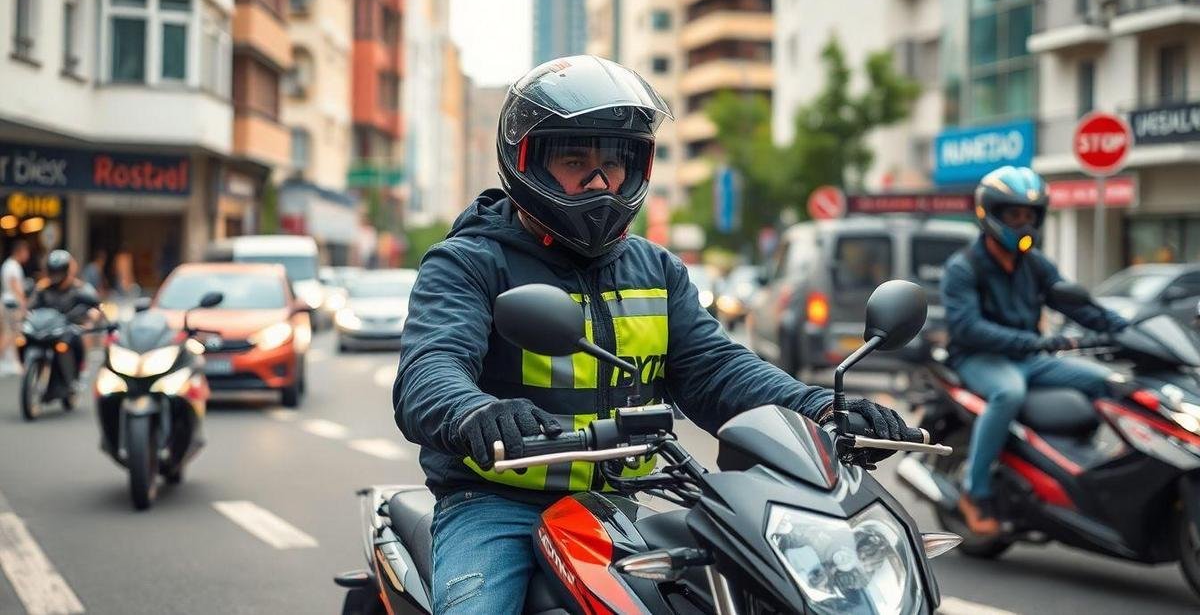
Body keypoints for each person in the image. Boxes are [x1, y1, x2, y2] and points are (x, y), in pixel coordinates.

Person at [393, 55, 915, 613]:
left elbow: (715, 370)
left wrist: (819, 409)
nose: (600, 182)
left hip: (621, 502)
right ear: (526, 162)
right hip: (497, 503)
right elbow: (430, 369)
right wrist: (475, 413)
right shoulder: (469, 264)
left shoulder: (656, 269)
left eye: (615, 163)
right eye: (574, 160)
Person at [941, 166, 1129, 537]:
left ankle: (1110, 472)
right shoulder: (963, 267)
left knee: (1109, 381)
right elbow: (968, 327)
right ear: (990, 214)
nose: (1023, 224)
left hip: (1030, 358)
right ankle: (974, 492)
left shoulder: (1035, 264)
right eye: (1013, 215)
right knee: (1007, 393)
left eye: (1029, 215)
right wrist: (1030, 342)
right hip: (979, 359)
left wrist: (1125, 328)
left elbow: (1076, 305)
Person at [29, 250, 99, 386]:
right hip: (45, 329)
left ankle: (79, 373)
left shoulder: (79, 288)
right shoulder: (43, 287)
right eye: (53, 271)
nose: (56, 276)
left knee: (77, 339)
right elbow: (31, 306)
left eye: (59, 271)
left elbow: (95, 306)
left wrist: (91, 317)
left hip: (68, 327)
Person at [1, 240, 31, 376]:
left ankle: (13, 362)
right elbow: (15, 286)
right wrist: (24, 303)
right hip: (12, 304)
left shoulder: (7, 264)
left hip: (7, 302)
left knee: (10, 333)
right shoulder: (13, 266)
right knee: (10, 333)